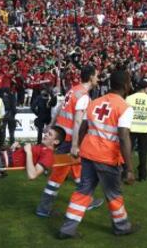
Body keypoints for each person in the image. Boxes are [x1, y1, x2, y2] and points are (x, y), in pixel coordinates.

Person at [58, 70, 139, 239]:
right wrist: (129, 168)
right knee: (113, 194)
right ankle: (122, 227)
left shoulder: (95, 102)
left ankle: (67, 229)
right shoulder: (124, 107)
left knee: (82, 192)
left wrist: (78, 147)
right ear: (126, 85)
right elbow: (124, 137)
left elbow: (83, 128)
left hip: (88, 154)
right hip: (107, 158)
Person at [36, 65, 103, 218]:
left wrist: (52, 125)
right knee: (57, 177)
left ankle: (87, 200)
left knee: (79, 169)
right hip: (68, 141)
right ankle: (43, 208)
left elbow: (60, 108)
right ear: (91, 77)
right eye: (97, 75)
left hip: (63, 137)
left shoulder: (73, 90)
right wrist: (74, 144)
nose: (98, 78)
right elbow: (78, 122)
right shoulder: (84, 96)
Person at [126, 78, 147, 181]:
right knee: (143, 153)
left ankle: (126, 173)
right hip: (144, 129)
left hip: (130, 128)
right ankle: (142, 176)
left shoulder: (129, 98)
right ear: (146, 88)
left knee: (127, 151)